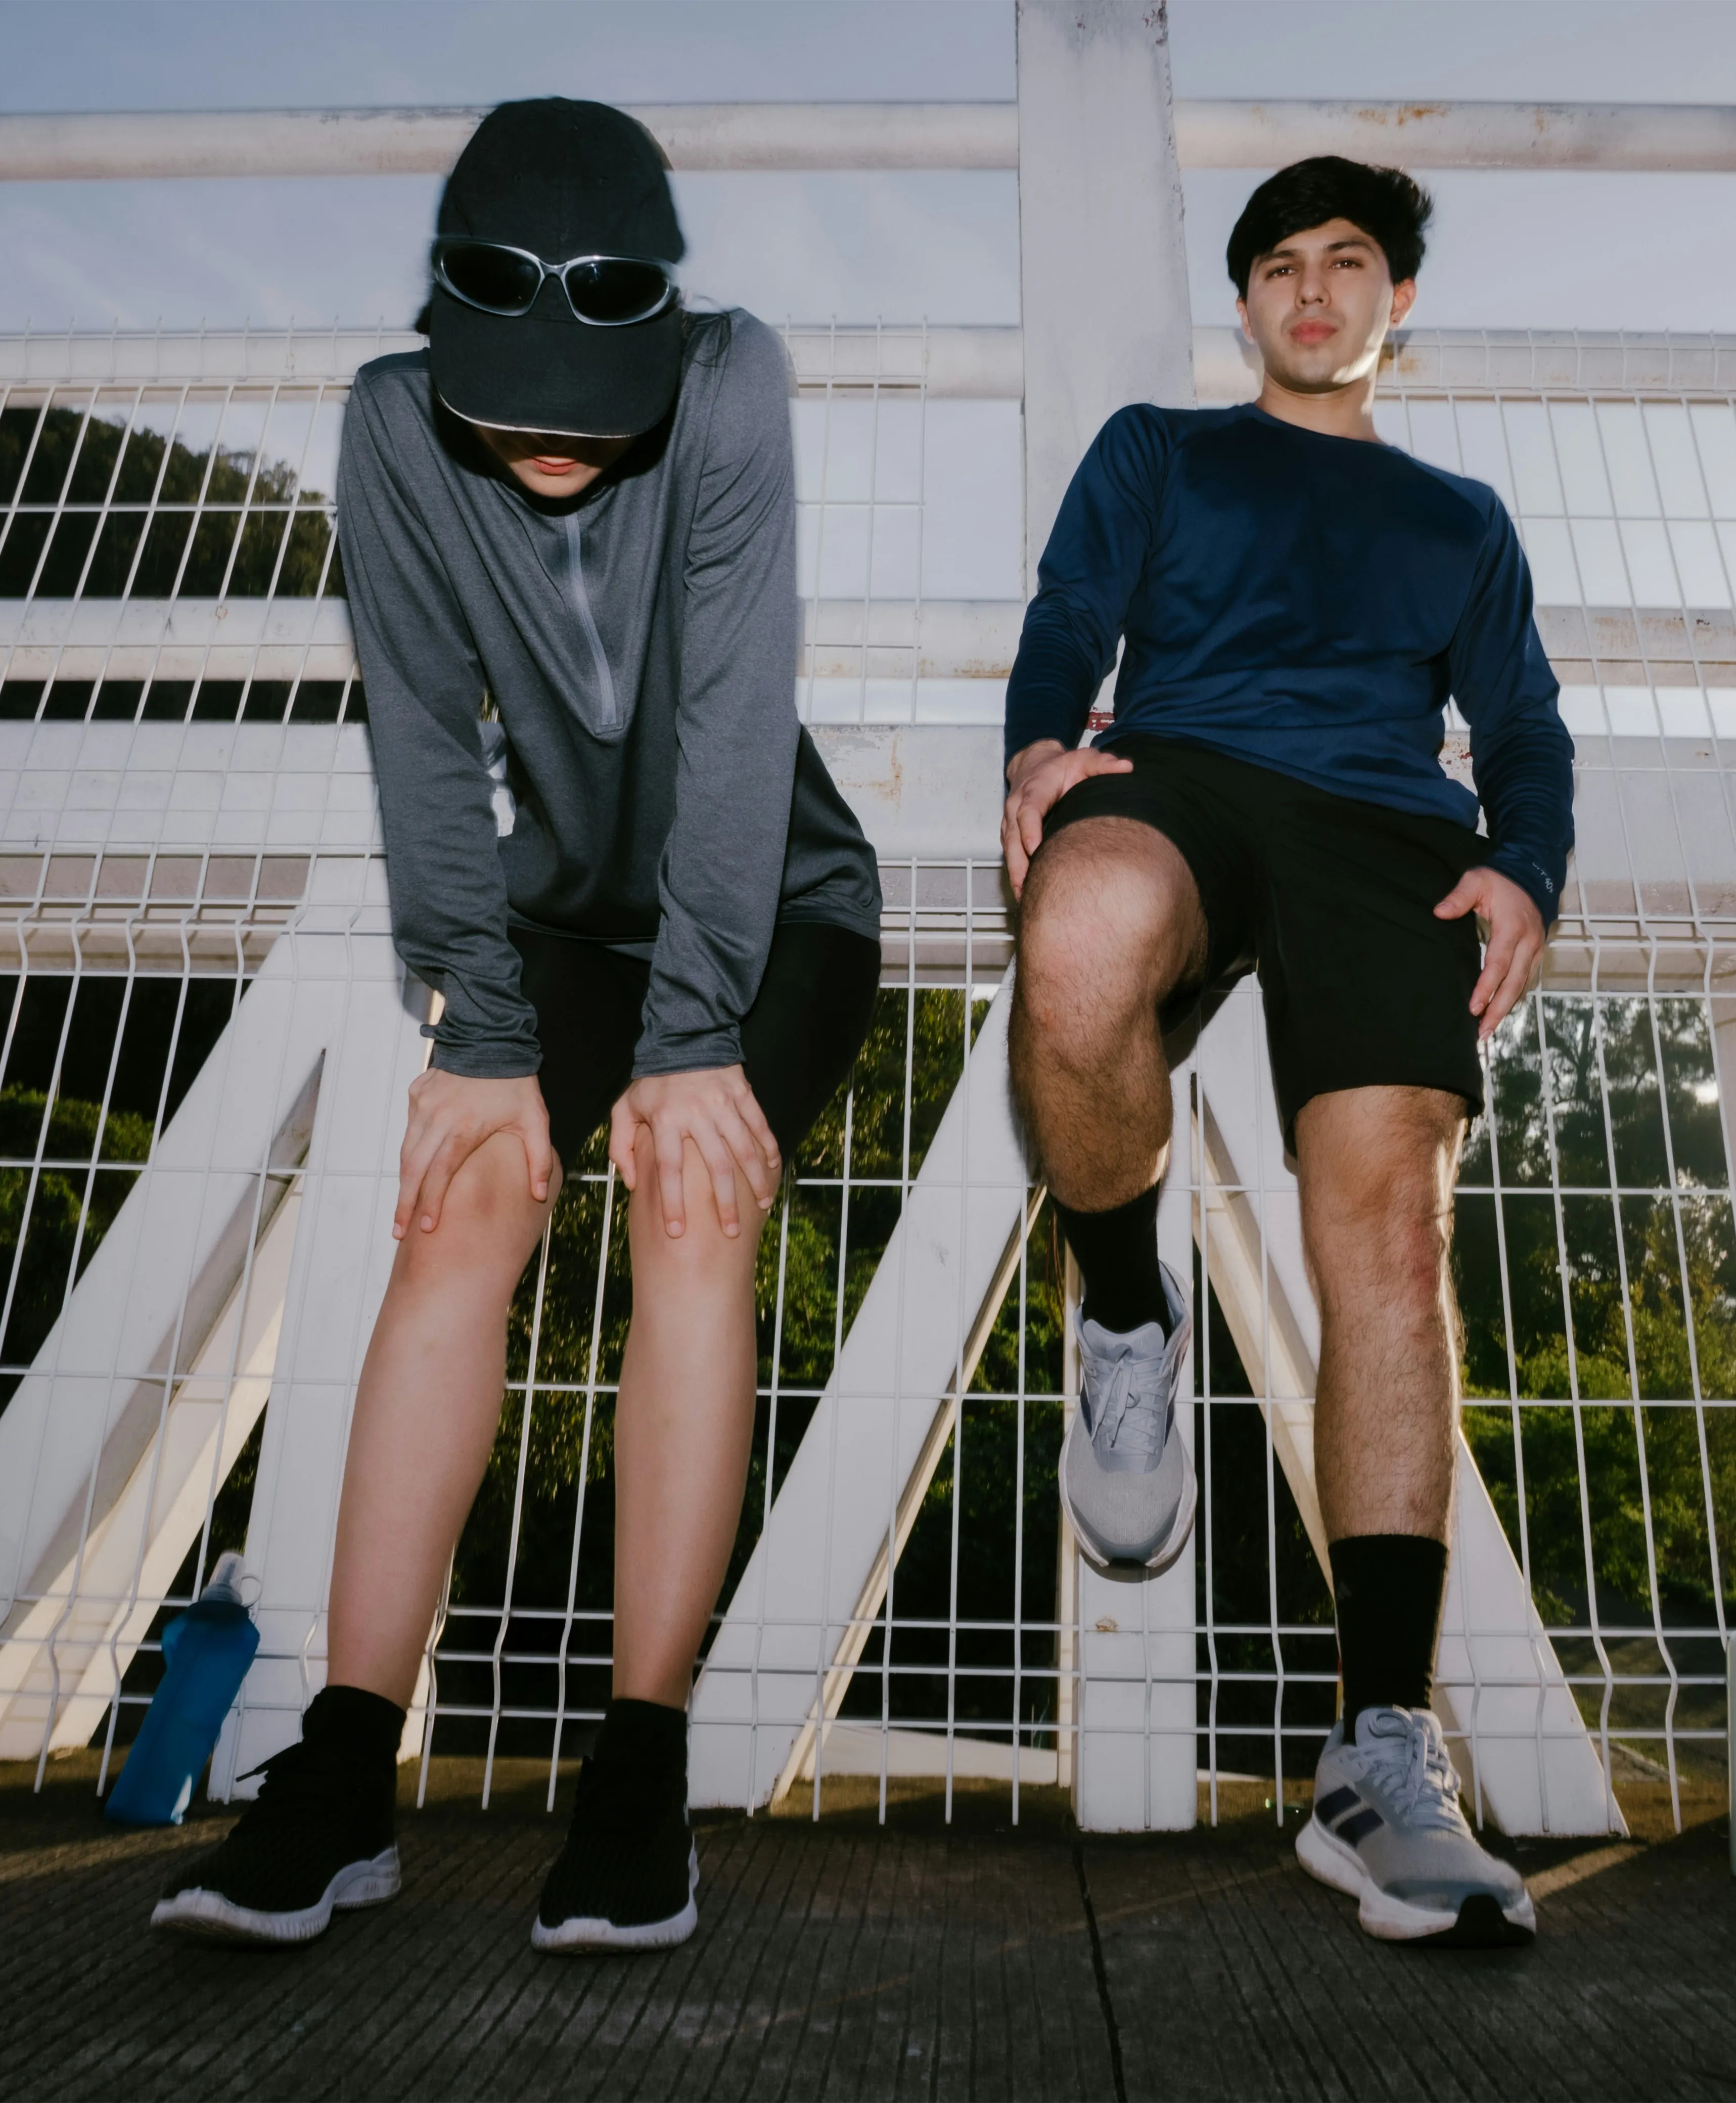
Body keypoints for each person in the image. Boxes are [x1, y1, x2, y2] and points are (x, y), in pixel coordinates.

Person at [152, 99, 883, 1954]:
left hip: (770, 913)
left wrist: (695, 1032)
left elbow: (732, 719)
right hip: (560, 924)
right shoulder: (394, 424)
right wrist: (482, 1031)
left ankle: (637, 1770)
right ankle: (340, 1762)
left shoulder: (732, 388)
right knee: (456, 1206)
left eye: (587, 390)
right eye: (514, 388)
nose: (549, 429)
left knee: (692, 1204)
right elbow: (418, 731)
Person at [1002, 156, 1572, 1948]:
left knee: (1392, 1227)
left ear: (1398, 301)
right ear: (1243, 304)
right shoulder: (1160, 452)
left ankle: (1380, 1758)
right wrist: (1036, 747)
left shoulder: (1461, 520)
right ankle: (1121, 1313)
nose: (1311, 294)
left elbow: (1528, 724)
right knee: (1082, 934)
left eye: (1348, 266)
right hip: (1185, 778)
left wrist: (1523, 864)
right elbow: (1061, 627)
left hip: (1386, 835)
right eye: (1277, 269)